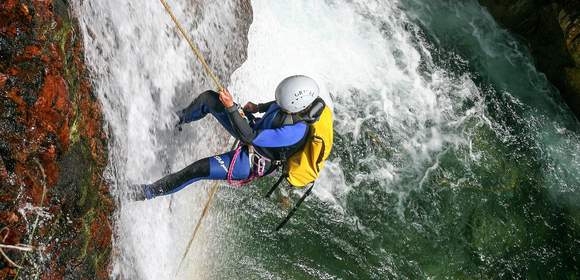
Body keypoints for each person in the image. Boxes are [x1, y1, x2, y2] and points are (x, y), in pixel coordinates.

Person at [132, 75, 327, 200]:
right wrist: (258, 107)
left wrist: (232, 107)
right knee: (210, 98)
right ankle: (171, 122)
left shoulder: (293, 133)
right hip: (256, 131)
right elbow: (276, 105)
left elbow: (249, 136)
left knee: (197, 170)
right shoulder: (296, 103)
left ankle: (146, 192)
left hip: (251, 160)